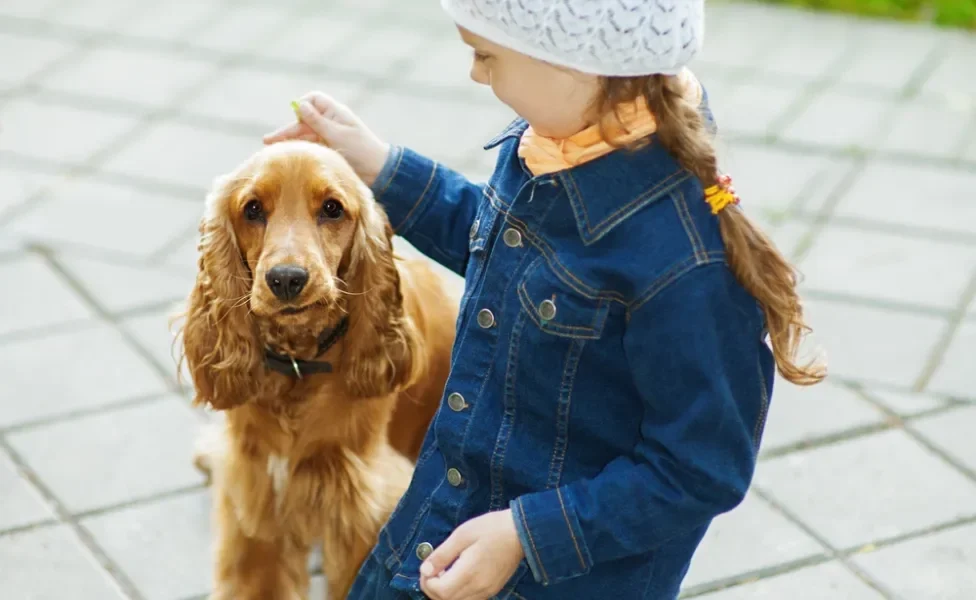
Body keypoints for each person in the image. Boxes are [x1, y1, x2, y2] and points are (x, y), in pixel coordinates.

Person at [264, 1, 826, 598]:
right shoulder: (560, 140)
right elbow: (501, 247)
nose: (476, 75)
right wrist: (382, 167)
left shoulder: (687, 267)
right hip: (443, 520)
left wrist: (525, 536)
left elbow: (700, 469)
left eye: (486, 55)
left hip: (549, 575)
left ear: (574, 62)